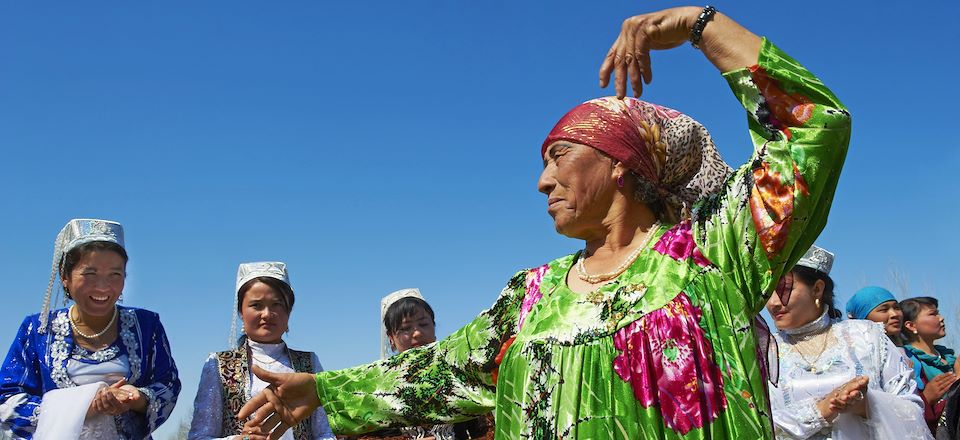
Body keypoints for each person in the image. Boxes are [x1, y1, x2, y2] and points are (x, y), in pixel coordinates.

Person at [238, 6, 852, 439]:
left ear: (620, 165)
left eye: (559, 157)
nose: (542, 182)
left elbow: (813, 124)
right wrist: (320, 390)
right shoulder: (530, 297)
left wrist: (698, 23)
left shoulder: (714, 254)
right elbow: (439, 372)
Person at [0, 219, 180, 439]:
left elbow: (168, 384)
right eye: (90, 274)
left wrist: (138, 398)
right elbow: (7, 401)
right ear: (65, 276)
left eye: (115, 274)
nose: (103, 287)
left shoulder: (146, 325)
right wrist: (86, 406)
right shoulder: (37, 330)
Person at [766, 246, 929, 439]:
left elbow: (911, 410)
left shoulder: (867, 336)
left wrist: (866, 404)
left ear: (817, 289)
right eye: (767, 291)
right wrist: (820, 410)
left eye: (783, 290)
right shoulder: (763, 352)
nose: (773, 303)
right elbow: (751, 425)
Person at [187, 262, 336, 440]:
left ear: (288, 312)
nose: (266, 314)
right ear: (241, 312)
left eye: (276, 304)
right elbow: (200, 436)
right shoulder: (219, 365)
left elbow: (325, 433)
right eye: (256, 305)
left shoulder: (309, 363)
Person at [345, 288, 493, 440]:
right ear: (391, 338)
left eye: (423, 324)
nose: (417, 333)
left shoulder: (459, 375)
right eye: (405, 328)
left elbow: (484, 431)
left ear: (434, 327)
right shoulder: (378, 388)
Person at [901, 296, 960, 434]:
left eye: (938, 313)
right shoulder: (908, 360)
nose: (941, 318)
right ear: (911, 325)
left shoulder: (949, 357)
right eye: (933, 314)